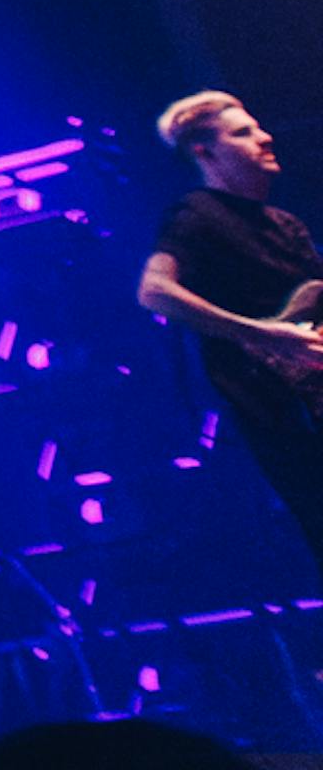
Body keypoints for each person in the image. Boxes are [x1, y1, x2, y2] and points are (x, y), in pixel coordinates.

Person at [139, 91, 323, 575]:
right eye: (242, 132)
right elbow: (155, 291)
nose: (264, 137)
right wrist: (262, 336)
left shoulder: (287, 225)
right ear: (205, 152)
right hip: (278, 410)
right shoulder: (197, 214)